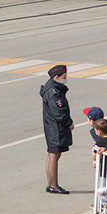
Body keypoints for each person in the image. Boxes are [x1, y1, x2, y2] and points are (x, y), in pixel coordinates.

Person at [40, 64, 74, 194]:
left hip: (52, 127)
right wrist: (68, 123)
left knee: (52, 155)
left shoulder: (53, 88)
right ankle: (53, 185)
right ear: (56, 77)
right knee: (54, 155)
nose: (66, 79)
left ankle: (51, 184)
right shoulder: (53, 92)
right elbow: (58, 111)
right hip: (55, 128)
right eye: (64, 77)